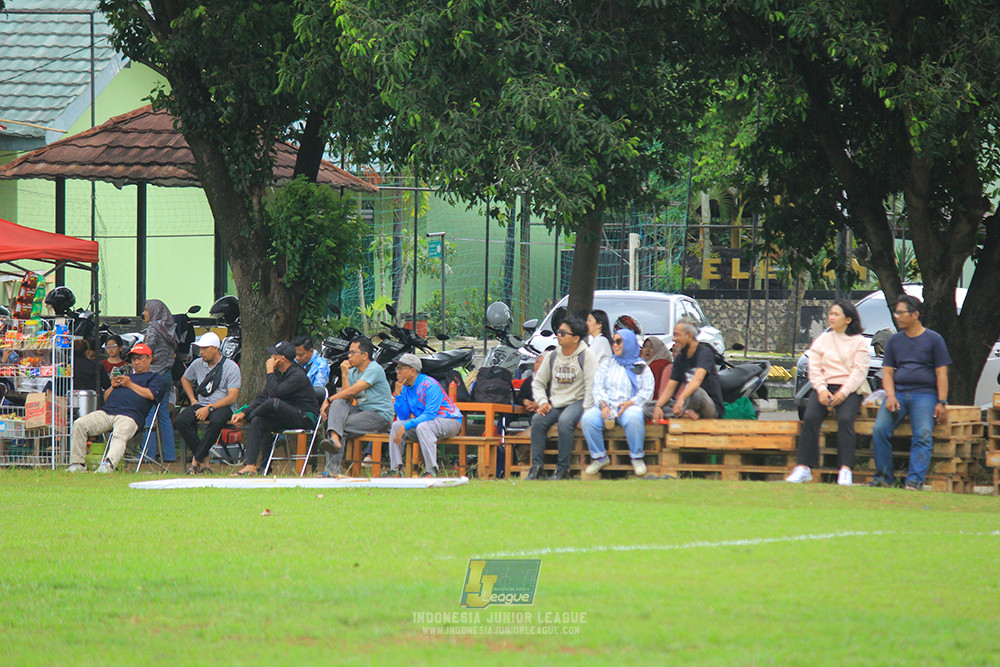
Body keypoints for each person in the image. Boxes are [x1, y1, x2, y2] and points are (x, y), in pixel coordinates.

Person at [869, 294, 951, 491]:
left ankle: (914, 481)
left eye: (901, 312)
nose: (897, 316)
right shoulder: (895, 341)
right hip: (898, 394)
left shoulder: (934, 339)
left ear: (915, 314)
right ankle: (884, 477)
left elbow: (941, 373)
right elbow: (887, 373)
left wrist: (941, 401)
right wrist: (890, 395)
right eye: (896, 312)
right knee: (880, 429)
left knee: (922, 434)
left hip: (925, 395)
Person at [786, 300, 870, 486]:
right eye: (830, 313)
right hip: (824, 386)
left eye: (836, 314)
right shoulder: (822, 339)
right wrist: (821, 389)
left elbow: (859, 371)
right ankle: (804, 467)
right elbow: (814, 367)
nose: (831, 317)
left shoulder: (859, 342)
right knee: (811, 418)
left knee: (846, 419)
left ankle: (845, 469)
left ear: (848, 319)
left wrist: (844, 392)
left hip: (850, 389)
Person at [66, 343, 170, 473]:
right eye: (133, 359)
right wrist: (112, 386)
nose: (136, 362)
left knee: (120, 432)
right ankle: (77, 464)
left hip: (131, 416)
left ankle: (108, 465)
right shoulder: (126, 377)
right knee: (79, 423)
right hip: (108, 411)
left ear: (149, 358)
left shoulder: (155, 378)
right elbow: (106, 398)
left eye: (140, 358)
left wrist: (130, 384)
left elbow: (150, 395)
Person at [525, 316, 598, 480]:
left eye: (563, 333)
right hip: (556, 402)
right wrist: (543, 402)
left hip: (579, 401)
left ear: (576, 338)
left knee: (565, 421)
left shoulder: (587, 356)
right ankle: (536, 468)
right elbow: (538, 383)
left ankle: (562, 470)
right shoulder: (552, 356)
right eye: (558, 331)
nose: (558, 335)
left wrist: (586, 412)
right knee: (538, 420)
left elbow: (592, 387)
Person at [230, 341, 319, 476]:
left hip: (304, 417)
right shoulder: (278, 374)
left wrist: (269, 371)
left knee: (273, 403)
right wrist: (244, 413)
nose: (271, 357)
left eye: (274, 355)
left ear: (282, 358)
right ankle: (251, 465)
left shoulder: (297, 375)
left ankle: (248, 420)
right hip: (286, 415)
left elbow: (275, 394)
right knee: (259, 420)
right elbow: (262, 397)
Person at [581, 328, 655, 476]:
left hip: (629, 406)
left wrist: (630, 403)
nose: (615, 345)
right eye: (613, 342)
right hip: (608, 405)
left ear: (628, 343)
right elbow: (598, 387)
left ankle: (637, 457)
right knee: (588, 419)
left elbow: (647, 391)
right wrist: (603, 405)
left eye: (619, 341)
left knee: (634, 418)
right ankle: (600, 457)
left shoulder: (641, 366)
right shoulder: (608, 363)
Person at [316, 337, 394, 476]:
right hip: (361, 412)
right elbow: (348, 397)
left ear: (365, 355)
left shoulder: (374, 369)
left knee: (338, 425)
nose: (349, 356)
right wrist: (345, 374)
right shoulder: (352, 372)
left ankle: (332, 468)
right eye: (349, 353)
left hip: (379, 415)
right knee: (338, 403)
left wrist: (328, 400)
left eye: (353, 352)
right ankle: (334, 442)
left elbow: (352, 391)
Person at [174, 332, 242, 475]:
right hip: (202, 403)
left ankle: (195, 461)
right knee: (181, 421)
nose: (201, 352)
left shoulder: (231, 367)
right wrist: (193, 399)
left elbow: (232, 397)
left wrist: (209, 408)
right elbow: (185, 379)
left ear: (215, 349)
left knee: (216, 421)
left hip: (223, 406)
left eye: (205, 349)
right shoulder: (198, 363)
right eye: (200, 349)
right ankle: (204, 456)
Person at [386, 353, 463, 477]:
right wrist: (398, 395)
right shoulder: (405, 387)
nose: (397, 372)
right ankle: (395, 470)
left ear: (412, 371)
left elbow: (430, 414)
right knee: (396, 425)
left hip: (450, 420)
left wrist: (405, 426)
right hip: (425, 423)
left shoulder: (429, 384)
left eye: (401, 368)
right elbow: (404, 416)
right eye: (397, 368)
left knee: (423, 426)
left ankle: (431, 471)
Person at [652, 321, 725, 421]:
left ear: (689, 336)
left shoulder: (704, 353)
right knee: (648, 407)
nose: (674, 339)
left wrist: (681, 399)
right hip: (686, 403)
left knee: (696, 392)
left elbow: (697, 380)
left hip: (707, 406)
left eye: (677, 335)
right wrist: (658, 406)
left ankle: (683, 412)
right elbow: (670, 387)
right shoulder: (680, 358)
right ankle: (685, 414)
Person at [141, 299, 178, 462]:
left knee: (149, 413)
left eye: (147, 310)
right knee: (163, 416)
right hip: (167, 375)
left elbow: (146, 349)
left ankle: (147, 454)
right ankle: (169, 455)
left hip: (154, 376)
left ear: (154, 312)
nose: (144, 314)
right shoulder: (169, 328)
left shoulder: (153, 328)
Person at [640, 336, 673, 417]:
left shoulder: (660, 364)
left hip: (656, 404)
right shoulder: (640, 363)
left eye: (652, 347)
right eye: (645, 346)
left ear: (658, 349)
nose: (647, 350)